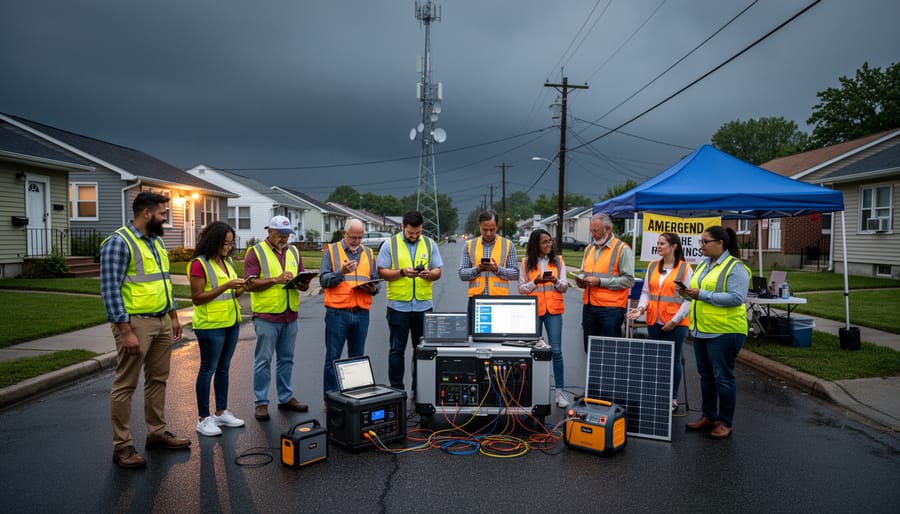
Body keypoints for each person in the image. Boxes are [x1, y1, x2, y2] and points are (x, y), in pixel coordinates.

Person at [100, 191, 191, 469]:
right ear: (146, 213)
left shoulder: (155, 241)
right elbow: (110, 290)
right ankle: (123, 446)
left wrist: (173, 316)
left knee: (158, 379)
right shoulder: (118, 243)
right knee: (125, 384)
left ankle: (156, 434)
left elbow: (164, 281)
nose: (166, 218)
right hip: (136, 323)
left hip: (162, 319)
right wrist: (125, 331)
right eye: (163, 213)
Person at [679, 225, 750, 440]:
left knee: (723, 378)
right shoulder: (702, 265)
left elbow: (738, 297)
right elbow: (697, 296)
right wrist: (686, 293)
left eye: (705, 242)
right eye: (700, 242)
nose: (701, 246)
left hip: (726, 331)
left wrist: (703, 294)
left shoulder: (735, 267)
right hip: (702, 330)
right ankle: (708, 416)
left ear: (720, 243)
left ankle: (725, 422)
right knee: (706, 377)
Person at [244, 215, 311, 421]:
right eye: (280, 234)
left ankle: (286, 397)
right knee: (263, 360)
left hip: (290, 314)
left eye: (287, 235)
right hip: (267, 315)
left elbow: (300, 276)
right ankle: (261, 403)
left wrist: (303, 283)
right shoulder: (255, 252)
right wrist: (276, 279)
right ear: (269, 231)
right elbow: (249, 284)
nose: (284, 239)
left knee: (286, 359)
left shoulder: (294, 251)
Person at [188, 221, 246, 437]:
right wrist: (226, 286)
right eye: (225, 243)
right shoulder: (198, 264)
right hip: (210, 326)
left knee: (224, 368)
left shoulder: (226, 261)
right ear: (214, 241)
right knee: (207, 370)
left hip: (230, 323)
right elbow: (197, 298)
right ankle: (203, 419)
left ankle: (221, 412)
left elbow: (230, 295)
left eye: (231, 244)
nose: (228, 247)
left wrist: (240, 288)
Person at [376, 211, 443, 394]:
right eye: (410, 233)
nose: (414, 236)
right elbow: (381, 272)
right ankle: (397, 390)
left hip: (423, 306)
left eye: (418, 232)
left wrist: (430, 274)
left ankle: (419, 390)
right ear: (402, 227)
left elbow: (438, 270)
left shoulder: (429, 244)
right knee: (397, 350)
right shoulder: (390, 245)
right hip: (398, 306)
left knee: (420, 351)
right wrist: (402, 272)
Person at [626, 232, 692, 411]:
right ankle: (656, 393)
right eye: (658, 243)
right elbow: (646, 292)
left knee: (673, 359)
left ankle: (672, 398)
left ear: (674, 246)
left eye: (662, 243)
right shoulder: (652, 266)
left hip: (675, 324)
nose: (659, 246)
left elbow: (688, 299)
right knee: (656, 359)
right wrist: (640, 309)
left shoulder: (685, 269)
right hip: (653, 320)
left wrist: (675, 320)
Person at [320, 219, 380, 394]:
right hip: (338, 313)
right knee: (333, 357)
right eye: (353, 237)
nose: (356, 241)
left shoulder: (368, 253)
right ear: (344, 233)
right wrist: (341, 273)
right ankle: (330, 397)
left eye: (360, 237)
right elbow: (323, 280)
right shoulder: (331, 251)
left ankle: (355, 395)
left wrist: (374, 287)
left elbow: (374, 279)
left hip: (361, 313)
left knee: (357, 358)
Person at [518, 229, 570, 407]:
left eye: (550, 241)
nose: (549, 245)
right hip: (534, 311)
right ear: (536, 245)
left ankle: (560, 392)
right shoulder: (525, 263)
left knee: (556, 351)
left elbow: (564, 287)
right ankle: (532, 391)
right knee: (533, 351)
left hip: (553, 311)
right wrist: (536, 282)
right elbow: (522, 288)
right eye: (545, 242)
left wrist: (555, 280)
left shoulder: (558, 261)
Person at [576, 213, 635, 352]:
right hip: (589, 306)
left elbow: (629, 280)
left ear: (608, 229)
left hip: (611, 309)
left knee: (610, 352)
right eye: (591, 231)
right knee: (590, 350)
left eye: (596, 231)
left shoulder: (622, 249)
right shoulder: (589, 249)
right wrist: (581, 280)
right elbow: (583, 272)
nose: (593, 235)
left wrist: (600, 282)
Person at [458, 210, 518, 296]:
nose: (488, 233)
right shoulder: (469, 245)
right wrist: (478, 269)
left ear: (497, 227)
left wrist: (497, 269)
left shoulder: (508, 244)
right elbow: (462, 274)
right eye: (485, 230)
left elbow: (515, 274)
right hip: (476, 299)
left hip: (499, 299)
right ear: (479, 226)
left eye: (492, 229)